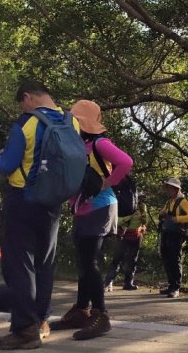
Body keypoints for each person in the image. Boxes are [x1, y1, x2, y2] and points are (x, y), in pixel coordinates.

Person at [0, 79, 82, 349]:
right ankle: (41, 320)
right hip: (53, 202)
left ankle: (24, 328)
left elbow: (8, 165)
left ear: (27, 97)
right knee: (45, 262)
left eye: (22, 102)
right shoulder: (71, 122)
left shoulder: (27, 123)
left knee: (19, 266)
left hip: (23, 200)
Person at [48, 100, 133, 340]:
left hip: (101, 208)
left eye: (75, 119)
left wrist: (108, 183)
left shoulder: (99, 143)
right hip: (84, 210)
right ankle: (81, 310)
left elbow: (125, 162)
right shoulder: (80, 145)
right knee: (84, 262)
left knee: (90, 262)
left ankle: (100, 315)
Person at [157, 178, 188, 298]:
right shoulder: (169, 201)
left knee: (174, 259)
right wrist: (162, 214)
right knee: (166, 257)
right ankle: (171, 285)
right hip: (167, 232)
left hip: (177, 233)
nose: (168, 189)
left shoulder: (182, 201)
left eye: (171, 187)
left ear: (176, 189)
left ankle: (176, 287)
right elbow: (163, 212)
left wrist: (176, 219)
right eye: (168, 187)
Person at [104, 194, 149, 291]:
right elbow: (116, 221)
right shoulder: (122, 206)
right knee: (117, 259)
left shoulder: (142, 207)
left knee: (132, 260)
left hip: (136, 235)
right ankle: (108, 282)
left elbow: (145, 221)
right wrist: (130, 217)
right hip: (123, 234)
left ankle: (128, 282)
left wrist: (143, 218)